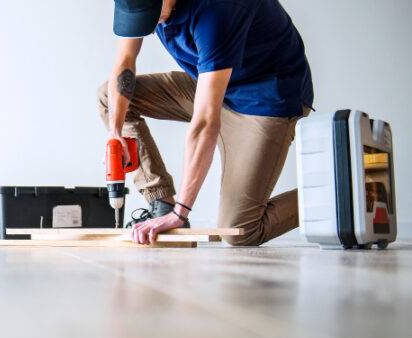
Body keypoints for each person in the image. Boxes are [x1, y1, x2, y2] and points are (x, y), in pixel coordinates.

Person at [98, 0, 314, 245]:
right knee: (110, 99)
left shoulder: (218, 10)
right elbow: (125, 61)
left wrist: (180, 213)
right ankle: (161, 204)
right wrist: (115, 132)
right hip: (213, 80)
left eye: (151, 14)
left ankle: (339, 190)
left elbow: (204, 124)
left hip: (264, 99)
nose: (151, 22)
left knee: (240, 230)